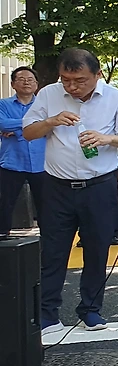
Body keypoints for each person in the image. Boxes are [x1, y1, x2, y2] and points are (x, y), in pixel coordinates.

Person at [22, 49, 118, 335]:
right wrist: (51, 121)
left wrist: (106, 138)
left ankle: (91, 310)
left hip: (99, 186)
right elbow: (28, 132)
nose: (72, 86)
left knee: (97, 250)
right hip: (56, 186)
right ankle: (47, 313)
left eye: (80, 80)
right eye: (66, 80)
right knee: (53, 252)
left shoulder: (116, 98)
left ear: (97, 75)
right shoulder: (49, 94)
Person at [0, 66, 45, 238]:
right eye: (21, 79)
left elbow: (51, 127)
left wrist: (17, 129)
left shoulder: (44, 105)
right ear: (13, 84)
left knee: (45, 204)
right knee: (5, 202)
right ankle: (2, 233)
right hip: (12, 161)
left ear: (36, 84)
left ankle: (48, 235)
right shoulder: (3, 104)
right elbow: (2, 124)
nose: (26, 82)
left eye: (30, 79)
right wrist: (33, 124)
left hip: (41, 163)